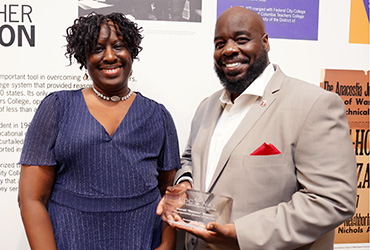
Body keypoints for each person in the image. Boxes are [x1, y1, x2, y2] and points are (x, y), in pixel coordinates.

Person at [157, 6, 357, 250]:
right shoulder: (207, 107)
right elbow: (189, 158)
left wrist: (241, 234)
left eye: (241, 39)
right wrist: (185, 184)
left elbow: (332, 200)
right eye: (220, 43)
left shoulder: (314, 104)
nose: (229, 50)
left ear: (265, 43)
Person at [18, 12, 180, 250]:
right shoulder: (57, 108)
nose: (110, 56)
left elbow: (169, 194)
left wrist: (166, 244)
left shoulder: (158, 116)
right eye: (97, 49)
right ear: (84, 58)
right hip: (71, 240)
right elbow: (31, 199)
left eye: (119, 46)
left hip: (141, 240)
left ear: (132, 53)